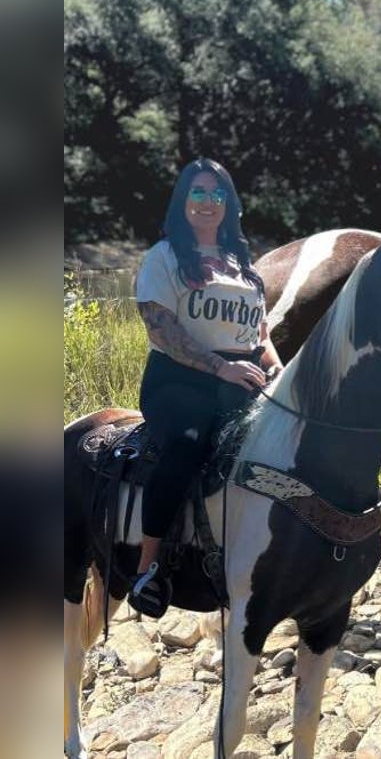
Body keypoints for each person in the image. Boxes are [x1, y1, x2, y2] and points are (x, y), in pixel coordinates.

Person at [127, 158, 283, 618]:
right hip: (179, 380)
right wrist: (219, 367)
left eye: (218, 194)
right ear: (182, 200)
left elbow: (261, 334)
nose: (208, 202)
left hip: (241, 377)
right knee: (188, 443)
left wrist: (278, 370)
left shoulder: (242, 264)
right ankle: (147, 568)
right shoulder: (165, 257)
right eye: (198, 192)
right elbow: (161, 328)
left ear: (230, 204)